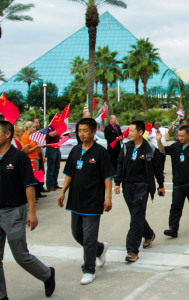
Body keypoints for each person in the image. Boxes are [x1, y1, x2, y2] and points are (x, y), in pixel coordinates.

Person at [0, 120, 55, 299]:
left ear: (7, 134)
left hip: (14, 212)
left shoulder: (19, 157)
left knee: (20, 255)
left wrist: (32, 213)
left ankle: (47, 274)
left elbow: (29, 186)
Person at [57, 118, 115, 285]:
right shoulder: (75, 151)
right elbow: (69, 173)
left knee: (89, 237)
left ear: (93, 131)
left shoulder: (100, 152)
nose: (81, 134)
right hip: (76, 199)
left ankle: (89, 269)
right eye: (79, 131)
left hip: (93, 201)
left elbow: (107, 177)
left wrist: (108, 198)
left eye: (85, 131)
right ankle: (100, 248)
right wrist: (62, 192)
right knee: (77, 234)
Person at [114, 121, 165, 262]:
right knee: (136, 214)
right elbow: (119, 164)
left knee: (136, 216)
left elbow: (157, 168)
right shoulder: (126, 147)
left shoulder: (150, 149)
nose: (129, 133)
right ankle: (149, 234)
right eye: (129, 130)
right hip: (127, 186)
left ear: (140, 132)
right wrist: (117, 182)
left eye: (131, 131)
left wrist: (161, 185)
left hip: (143, 186)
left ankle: (132, 250)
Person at [156, 125, 189, 237]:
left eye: (182, 136)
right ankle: (173, 228)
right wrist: (159, 140)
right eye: (178, 135)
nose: (180, 138)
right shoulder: (175, 147)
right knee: (175, 206)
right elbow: (162, 150)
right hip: (178, 184)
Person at [22, 121, 46, 201]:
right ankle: (32, 196)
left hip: (35, 158)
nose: (35, 129)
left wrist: (37, 148)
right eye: (33, 127)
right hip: (30, 159)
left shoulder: (31, 136)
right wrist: (35, 148)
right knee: (32, 178)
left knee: (37, 177)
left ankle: (36, 193)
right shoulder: (25, 137)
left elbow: (33, 147)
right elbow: (25, 151)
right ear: (28, 128)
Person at [30, 118, 49, 194]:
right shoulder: (29, 135)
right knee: (35, 174)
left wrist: (43, 156)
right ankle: (37, 191)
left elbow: (39, 146)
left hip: (39, 155)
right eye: (36, 123)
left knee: (41, 172)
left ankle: (40, 188)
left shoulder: (37, 133)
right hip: (33, 157)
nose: (38, 124)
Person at [45, 114, 63, 191]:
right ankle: (50, 185)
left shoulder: (55, 128)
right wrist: (59, 129)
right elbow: (51, 134)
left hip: (57, 148)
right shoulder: (48, 127)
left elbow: (59, 136)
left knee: (56, 167)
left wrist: (67, 136)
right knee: (51, 168)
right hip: (51, 149)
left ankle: (55, 184)